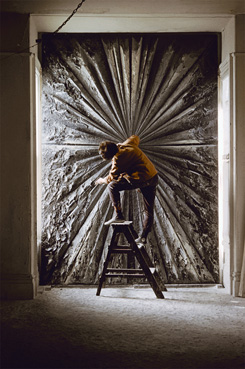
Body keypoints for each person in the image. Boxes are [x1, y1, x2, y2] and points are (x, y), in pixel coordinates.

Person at [95, 135, 158, 244]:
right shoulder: (127, 144)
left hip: (143, 179)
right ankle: (143, 238)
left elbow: (110, 178)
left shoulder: (118, 159)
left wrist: (100, 180)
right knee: (148, 210)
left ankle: (119, 215)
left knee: (112, 186)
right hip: (153, 177)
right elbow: (135, 137)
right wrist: (122, 144)